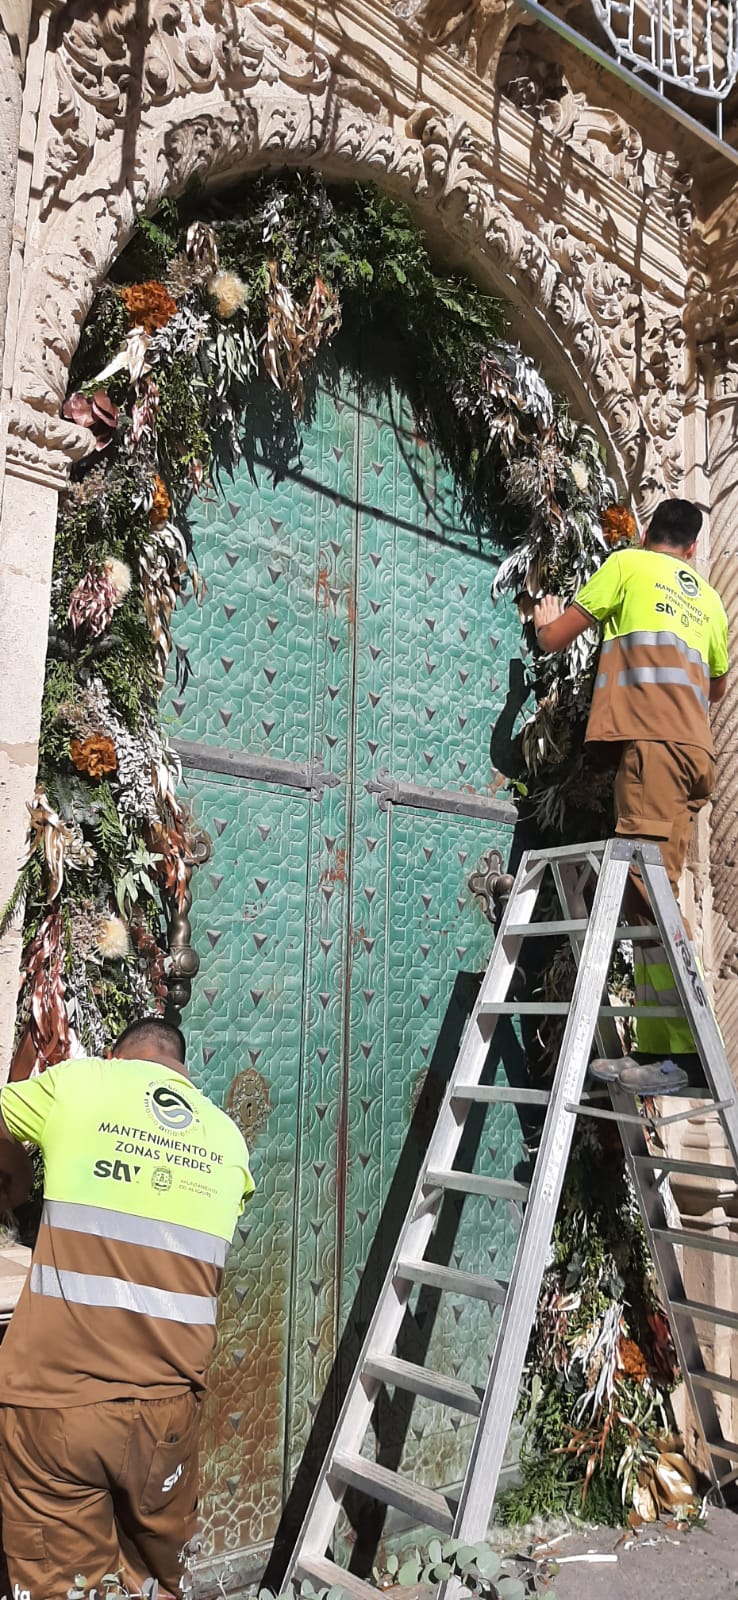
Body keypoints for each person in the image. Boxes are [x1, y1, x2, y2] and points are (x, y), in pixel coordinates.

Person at [0, 1017, 254, 1600]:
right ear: (182, 1070)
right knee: (156, 1584)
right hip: (166, 1415)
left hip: (53, 1406)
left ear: (116, 1056)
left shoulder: (80, 1085)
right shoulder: (227, 1139)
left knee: (61, 1586)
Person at [533, 497, 729, 1096]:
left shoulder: (628, 566)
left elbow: (555, 638)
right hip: (694, 755)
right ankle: (657, 1051)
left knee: (649, 898)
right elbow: (718, 687)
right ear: (693, 548)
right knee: (652, 900)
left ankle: (683, 1058)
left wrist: (543, 618)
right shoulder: (713, 600)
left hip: (653, 754)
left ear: (649, 533)